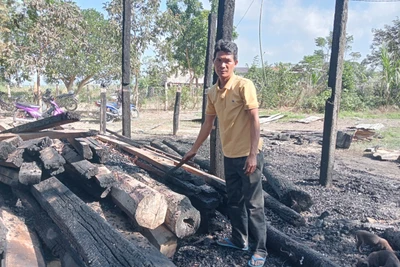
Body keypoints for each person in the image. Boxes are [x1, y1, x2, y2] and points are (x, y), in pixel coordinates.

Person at [182, 39, 267, 267]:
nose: (223, 65)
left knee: (254, 205)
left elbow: (255, 120)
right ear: (213, 63)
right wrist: (193, 150)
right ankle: (240, 240)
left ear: (235, 63)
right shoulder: (212, 92)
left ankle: (260, 250)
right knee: (235, 202)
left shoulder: (243, 85)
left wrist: (253, 155)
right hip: (229, 155)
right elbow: (208, 125)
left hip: (248, 155)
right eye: (219, 60)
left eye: (227, 61)